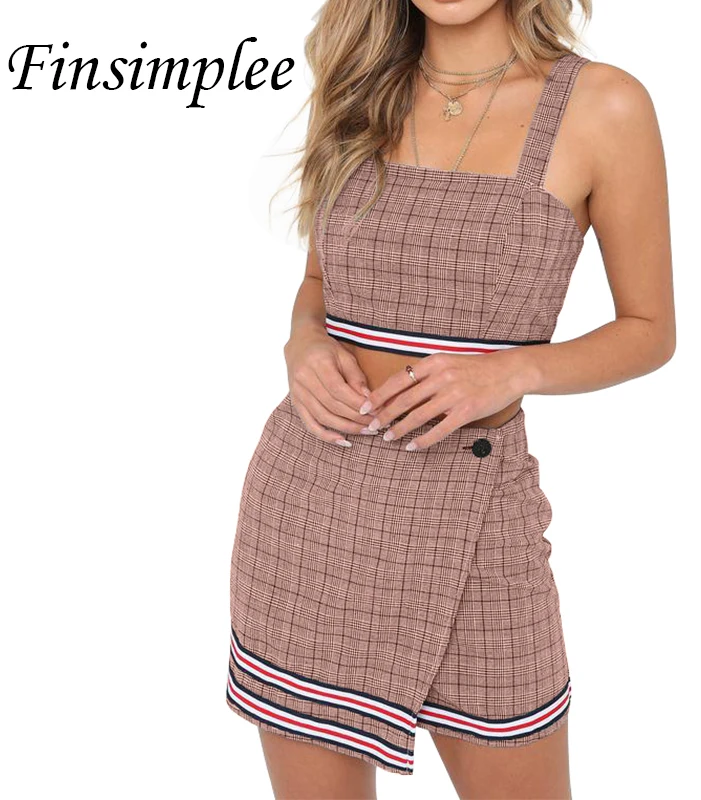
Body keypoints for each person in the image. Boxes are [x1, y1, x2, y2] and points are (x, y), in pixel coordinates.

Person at [226, 1, 675, 797]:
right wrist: (302, 343)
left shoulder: (605, 104)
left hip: (476, 511)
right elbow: (319, 281)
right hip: (314, 500)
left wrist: (511, 373)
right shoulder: (360, 87)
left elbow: (649, 329)